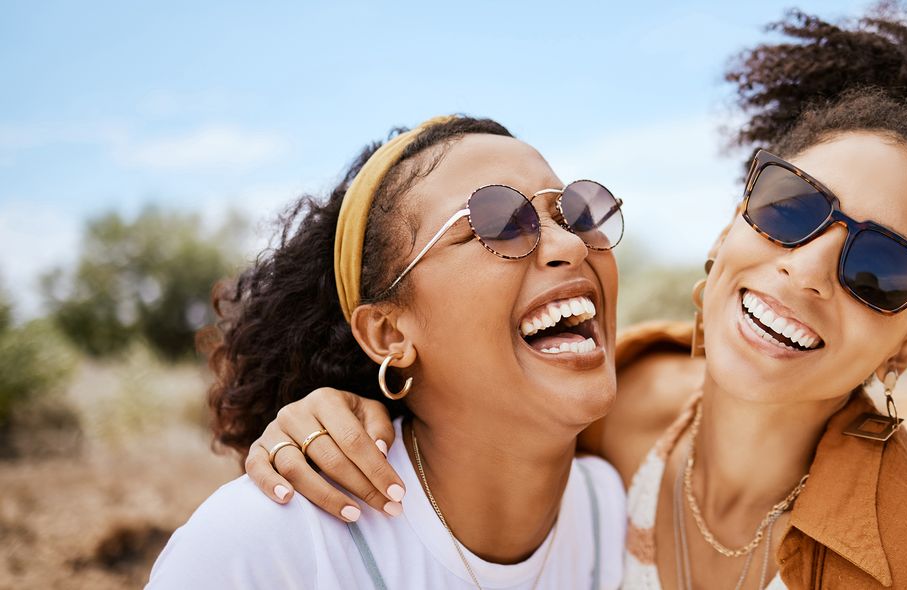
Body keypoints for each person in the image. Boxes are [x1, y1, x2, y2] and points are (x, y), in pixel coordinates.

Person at [239, 9, 907, 589]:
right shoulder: (611, 407)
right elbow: (468, 396)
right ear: (731, 231)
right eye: (791, 210)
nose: (808, 270)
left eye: (881, 270)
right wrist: (329, 411)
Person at [148, 116, 628, 589]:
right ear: (387, 335)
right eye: (499, 222)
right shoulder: (265, 547)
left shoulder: (614, 506)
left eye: (576, 214)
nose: (571, 244)